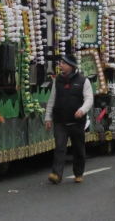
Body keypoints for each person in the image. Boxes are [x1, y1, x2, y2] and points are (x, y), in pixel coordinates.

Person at [45, 54, 93, 184]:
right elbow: (52, 99)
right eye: (60, 63)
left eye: (63, 63)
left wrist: (82, 110)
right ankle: (56, 174)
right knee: (60, 147)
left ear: (71, 66)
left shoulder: (83, 81)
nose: (60, 65)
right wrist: (48, 117)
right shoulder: (58, 80)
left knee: (78, 148)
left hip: (76, 121)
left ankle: (78, 173)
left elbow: (89, 99)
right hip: (60, 120)